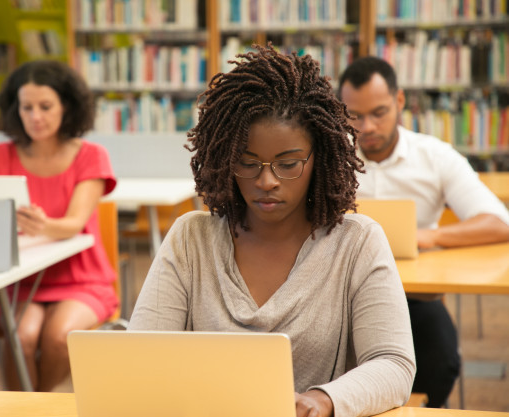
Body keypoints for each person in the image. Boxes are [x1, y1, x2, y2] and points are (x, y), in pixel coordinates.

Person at [128, 44, 415, 417]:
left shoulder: (358, 242)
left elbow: (393, 364)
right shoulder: (190, 238)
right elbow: (139, 358)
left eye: (288, 163)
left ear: (320, 158)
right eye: (247, 163)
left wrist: (323, 400)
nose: (266, 181)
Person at [338, 56, 509, 408]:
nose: (366, 126)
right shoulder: (330, 157)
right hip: (338, 294)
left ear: (400, 102)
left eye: (379, 112)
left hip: (413, 298)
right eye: (354, 115)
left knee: (440, 361)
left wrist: (427, 237)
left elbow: (498, 222)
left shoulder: (434, 157)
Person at [0, 60, 118, 392]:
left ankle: (36, 406)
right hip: (18, 280)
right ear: (15, 109)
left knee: (59, 337)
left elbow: (74, 224)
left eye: (45, 106)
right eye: (26, 107)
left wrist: (42, 225)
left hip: (81, 277)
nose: (35, 117)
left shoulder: (91, 155)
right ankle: (25, 412)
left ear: (66, 106)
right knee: (21, 336)